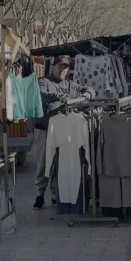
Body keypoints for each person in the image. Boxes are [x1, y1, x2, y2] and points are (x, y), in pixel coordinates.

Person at [34, 56, 93, 209]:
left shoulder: (70, 84)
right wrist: (58, 97)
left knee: (60, 162)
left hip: (63, 130)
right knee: (42, 162)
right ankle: (40, 194)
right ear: (53, 66)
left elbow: (87, 88)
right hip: (44, 128)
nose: (63, 70)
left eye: (65, 67)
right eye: (60, 66)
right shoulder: (44, 82)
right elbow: (41, 94)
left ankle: (56, 193)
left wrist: (88, 93)